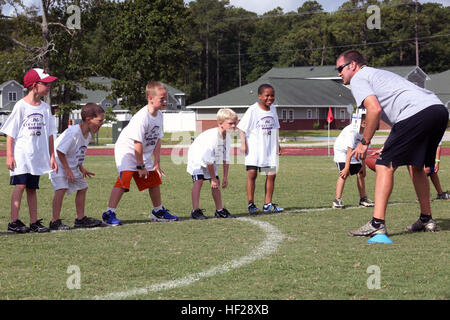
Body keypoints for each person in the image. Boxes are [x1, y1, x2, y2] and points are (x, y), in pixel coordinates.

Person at [335, 50, 448, 237]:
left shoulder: (358, 78)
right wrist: (388, 143)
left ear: (352, 65)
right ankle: (426, 218)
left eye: (340, 68)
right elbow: (397, 116)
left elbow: (374, 109)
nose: (339, 73)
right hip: (438, 110)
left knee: (384, 165)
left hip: (415, 113)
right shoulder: (378, 74)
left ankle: (377, 223)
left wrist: (365, 142)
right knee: (416, 165)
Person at [102, 81, 178, 225]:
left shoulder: (159, 115)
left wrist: (156, 163)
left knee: (154, 180)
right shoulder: (142, 116)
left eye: (165, 97)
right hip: (128, 150)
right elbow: (137, 143)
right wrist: (140, 165)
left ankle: (158, 211)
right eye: (162, 98)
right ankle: (109, 213)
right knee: (125, 179)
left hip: (142, 151)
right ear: (150, 98)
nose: (165, 101)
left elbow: (157, 139)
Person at [0, 68, 58, 233]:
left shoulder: (45, 108)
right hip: (21, 156)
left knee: (32, 188)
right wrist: (9, 155)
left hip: (36, 157)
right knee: (20, 185)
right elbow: (10, 133)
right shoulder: (21, 106)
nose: (48, 87)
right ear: (34, 85)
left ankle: (34, 222)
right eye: (45, 84)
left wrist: (52, 156)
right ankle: (14, 222)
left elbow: (50, 134)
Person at [49, 103, 105, 231]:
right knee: (61, 189)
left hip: (70, 165)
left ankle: (80, 219)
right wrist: (68, 170)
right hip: (58, 163)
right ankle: (54, 221)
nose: (102, 123)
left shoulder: (88, 135)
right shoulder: (73, 132)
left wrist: (81, 168)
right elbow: (60, 151)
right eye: (100, 120)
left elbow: (77, 152)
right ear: (88, 119)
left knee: (83, 187)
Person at [237, 83, 283, 214]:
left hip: (269, 149)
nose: (270, 98)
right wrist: (243, 143)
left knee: (271, 175)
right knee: (253, 174)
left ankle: (268, 204)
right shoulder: (253, 110)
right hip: (254, 149)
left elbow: (275, 127)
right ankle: (251, 204)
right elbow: (241, 127)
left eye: (272, 95)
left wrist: (277, 144)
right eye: (267, 95)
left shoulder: (273, 109)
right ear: (259, 96)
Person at [187, 108, 238, 220]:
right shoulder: (213, 137)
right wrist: (213, 178)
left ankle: (219, 210)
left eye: (235, 123)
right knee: (199, 180)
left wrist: (225, 177)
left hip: (210, 159)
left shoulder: (227, 137)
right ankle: (195, 211)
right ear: (220, 123)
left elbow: (225, 158)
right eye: (231, 123)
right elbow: (208, 161)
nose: (234, 126)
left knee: (217, 182)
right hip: (197, 157)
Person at [333, 109, 374, 209]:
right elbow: (349, 150)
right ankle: (337, 200)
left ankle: (363, 199)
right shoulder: (352, 131)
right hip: (342, 151)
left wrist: (363, 166)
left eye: (367, 118)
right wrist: (347, 167)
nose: (365, 121)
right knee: (344, 173)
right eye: (363, 118)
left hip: (354, 150)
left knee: (360, 173)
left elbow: (363, 149)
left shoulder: (367, 132)